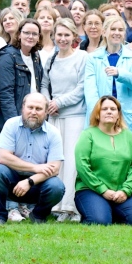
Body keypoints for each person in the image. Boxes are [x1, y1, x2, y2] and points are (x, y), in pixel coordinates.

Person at [0, 93, 65, 224]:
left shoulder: (53, 133)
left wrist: (29, 181)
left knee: (57, 186)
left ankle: (38, 216)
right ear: (23, 108)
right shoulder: (11, 124)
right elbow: (4, 157)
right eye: (30, 107)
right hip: (12, 181)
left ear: (46, 112)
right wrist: (35, 167)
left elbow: (55, 169)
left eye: (38, 109)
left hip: (38, 184)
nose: (33, 112)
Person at [74, 95, 132, 226]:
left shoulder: (129, 136)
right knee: (100, 222)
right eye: (104, 109)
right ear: (98, 114)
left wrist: (125, 191)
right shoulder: (87, 135)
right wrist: (103, 190)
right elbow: (82, 167)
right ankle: (101, 211)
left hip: (120, 191)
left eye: (113, 109)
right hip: (91, 189)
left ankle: (109, 211)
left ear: (118, 115)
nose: (109, 111)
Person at [0, 18, 44, 222]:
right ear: (19, 34)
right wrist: (14, 123)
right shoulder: (8, 57)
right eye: (26, 32)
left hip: (33, 117)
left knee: (27, 161)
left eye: (34, 33)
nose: (30, 36)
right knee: (12, 164)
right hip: (16, 118)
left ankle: (23, 204)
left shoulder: (35, 56)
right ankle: (11, 206)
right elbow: (5, 93)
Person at [39, 18, 87, 222]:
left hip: (75, 116)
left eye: (67, 35)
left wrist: (60, 102)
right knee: (56, 161)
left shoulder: (82, 57)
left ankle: (72, 207)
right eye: (59, 34)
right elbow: (43, 84)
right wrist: (48, 102)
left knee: (72, 163)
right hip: (54, 117)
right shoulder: (51, 58)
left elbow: (82, 88)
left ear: (74, 36)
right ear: (54, 36)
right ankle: (57, 206)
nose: (63, 38)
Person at [84, 16, 132, 156]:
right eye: (113, 29)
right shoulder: (92, 58)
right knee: (101, 155)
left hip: (126, 114)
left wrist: (120, 73)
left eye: (120, 29)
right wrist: (98, 113)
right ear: (104, 32)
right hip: (101, 114)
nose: (117, 32)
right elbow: (90, 89)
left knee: (127, 155)